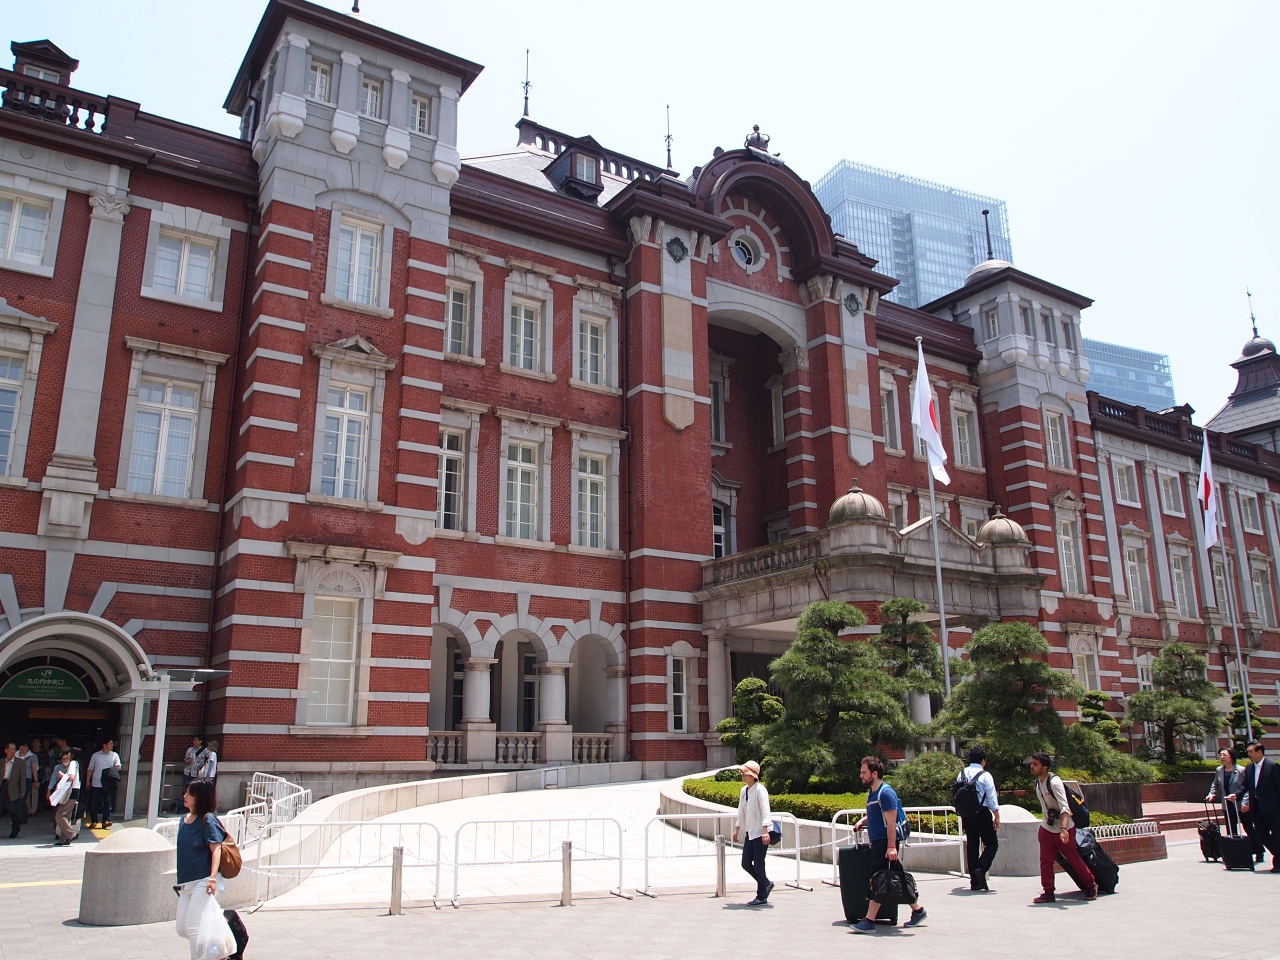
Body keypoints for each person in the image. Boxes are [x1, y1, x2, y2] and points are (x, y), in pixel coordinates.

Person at [851, 756, 926, 933]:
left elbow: (891, 822)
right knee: (892, 878)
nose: (861, 775)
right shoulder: (874, 793)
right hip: (878, 842)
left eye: (864, 772)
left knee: (878, 879)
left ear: (874, 773)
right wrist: (863, 821)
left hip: (885, 843)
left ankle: (869, 920)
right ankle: (918, 910)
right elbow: (878, 815)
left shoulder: (886, 793)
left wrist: (891, 847)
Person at [174, 779, 229, 959]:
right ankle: (218, 939)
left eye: (190, 793)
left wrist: (212, 878)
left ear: (200, 797)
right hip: (186, 882)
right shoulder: (183, 820)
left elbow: (216, 849)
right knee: (181, 928)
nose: (185, 796)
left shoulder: (208, 819)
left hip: (204, 880)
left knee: (192, 927)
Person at [1030, 752, 1096, 902]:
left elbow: (1065, 808)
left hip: (1063, 829)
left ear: (1044, 767)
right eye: (1032, 763)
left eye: (1035, 764)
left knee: (1073, 858)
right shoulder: (1038, 783)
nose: (1031, 766)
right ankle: (1048, 892)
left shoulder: (1054, 783)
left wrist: (1064, 829)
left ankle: (1091, 884)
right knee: (1045, 861)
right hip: (1047, 828)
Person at [958, 745, 1001, 890]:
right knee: (992, 843)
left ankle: (974, 882)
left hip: (966, 814)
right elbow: (991, 798)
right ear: (983, 760)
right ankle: (981, 869)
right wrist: (996, 816)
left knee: (972, 845)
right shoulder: (985, 775)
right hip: (981, 812)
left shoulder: (961, 774)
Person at [731, 760, 773, 905]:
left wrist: (765, 830)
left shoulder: (760, 790)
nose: (742, 776)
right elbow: (740, 811)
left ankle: (761, 896)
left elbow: (766, 810)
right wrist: (737, 828)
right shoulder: (744, 791)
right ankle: (766, 883)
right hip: (750, 833)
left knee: (759, 865)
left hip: (760, 833)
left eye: (745, 773)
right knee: (746, 863)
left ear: (753, 775)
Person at [1240, 741, 1280, 873]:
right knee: (1260, 834)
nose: (1249, 754)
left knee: (1277, 835)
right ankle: (1278, 853)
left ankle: (1278, 863)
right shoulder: (1249, 768)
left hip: (1273, 809)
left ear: (1260, 752)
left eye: (1251, 751)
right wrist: (1236, 794)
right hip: (1257, 808)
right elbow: (1245, 785)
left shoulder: (1272, 766)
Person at [1206, 747, 1250, 845]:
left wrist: (1246, 802)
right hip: (1227, 803)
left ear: (1232, 756)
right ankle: (1233, 848)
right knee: (1230, 827)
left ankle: (1256, 849)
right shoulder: (1219, 770)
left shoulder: (1241, 770)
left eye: (1225, 755)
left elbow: (1247, 787)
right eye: (1220, 755)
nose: (1222, 757)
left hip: (1240, 803)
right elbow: (1215, 784)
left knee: (1248, 827)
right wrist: (1212, 794)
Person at [47, 747, 81, 846]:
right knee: (66, 816)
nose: (66, 760)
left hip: (70, 792)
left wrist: (62, 775)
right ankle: (64, 839)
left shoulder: (73, 764)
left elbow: (71, 777)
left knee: (59, 815)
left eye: (68, 757)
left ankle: (71, 834)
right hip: (74, 791)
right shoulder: (77, 764)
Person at [86, 738, 122, 829]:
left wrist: (111, 771)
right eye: (110, 743)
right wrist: (87, 780)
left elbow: (118, 766)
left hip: (108, 782)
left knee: (107, 802)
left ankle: (106, 820)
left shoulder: (114, 755)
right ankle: (94, 820)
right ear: (104, 745)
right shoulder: (95, 755)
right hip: (96, 781)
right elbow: (90, 768)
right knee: (94, 802)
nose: (112, 745)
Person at [2, 742, 28, 838]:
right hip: (3, 785)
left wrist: (22, 791)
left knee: (13, 810)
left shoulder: (20, 762)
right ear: (6, 751)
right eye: (11, 749)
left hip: (14, 787)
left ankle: (15, 828)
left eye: (14, 749)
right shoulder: (1, 762)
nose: (13, 751)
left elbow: (23, 778)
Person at [15, 742, 37, 818]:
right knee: (15, 797)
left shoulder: (32, 756)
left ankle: (21, 815)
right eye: (21, 746)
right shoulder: (15, 755)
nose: (22, 748)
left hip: (26, 779)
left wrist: (36, 781)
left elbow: (34, 769)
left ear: (28, 747)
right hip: (16, 779)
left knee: (23, 796)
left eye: (24, 746)